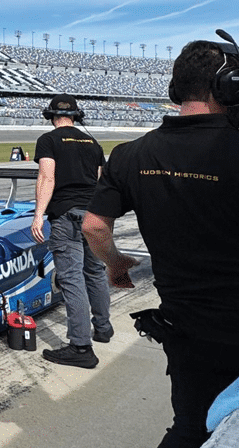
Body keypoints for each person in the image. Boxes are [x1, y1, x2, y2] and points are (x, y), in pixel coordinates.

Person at [83, 37, 239, 448]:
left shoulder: (130, 154)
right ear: (228, 86)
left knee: (191, 426)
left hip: (185, 328)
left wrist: (116, 264)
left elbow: (94, 227)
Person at [31, 93, 110, 369]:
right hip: (95, 214)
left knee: (72, 279)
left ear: (51, 116)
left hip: (67, 215)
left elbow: (47, 177)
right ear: (77, 116)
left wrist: (38, 216)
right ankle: (103, 328)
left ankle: (80, 347)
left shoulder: (48, 140)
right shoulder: (92, 142)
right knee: (95, 272)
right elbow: (102, 182)